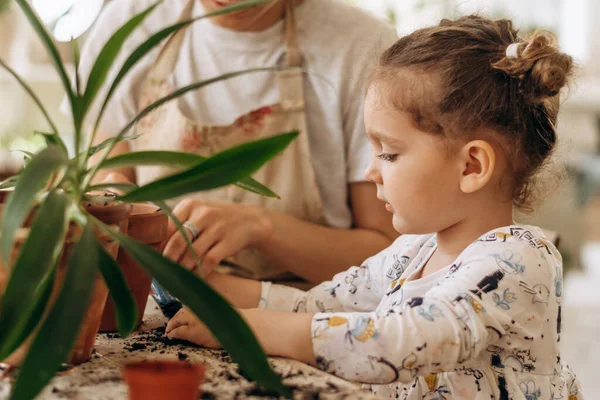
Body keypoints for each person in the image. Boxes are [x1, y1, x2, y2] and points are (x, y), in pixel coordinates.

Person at [165, 15, 584, 399]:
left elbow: (396, 342)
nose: (370, 171)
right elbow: (316, 306)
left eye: (389, 154)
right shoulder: (411, 251)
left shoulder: (519, 259)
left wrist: (244, 328)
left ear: (472, 165)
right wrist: (207, 289)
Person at [76, 0, 398, 286]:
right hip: (152, 300)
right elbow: (108, 179)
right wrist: (111, 199)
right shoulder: (129, 25)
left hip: (300, 315)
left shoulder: (362, 49)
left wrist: (263, 228)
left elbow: (389, 255)